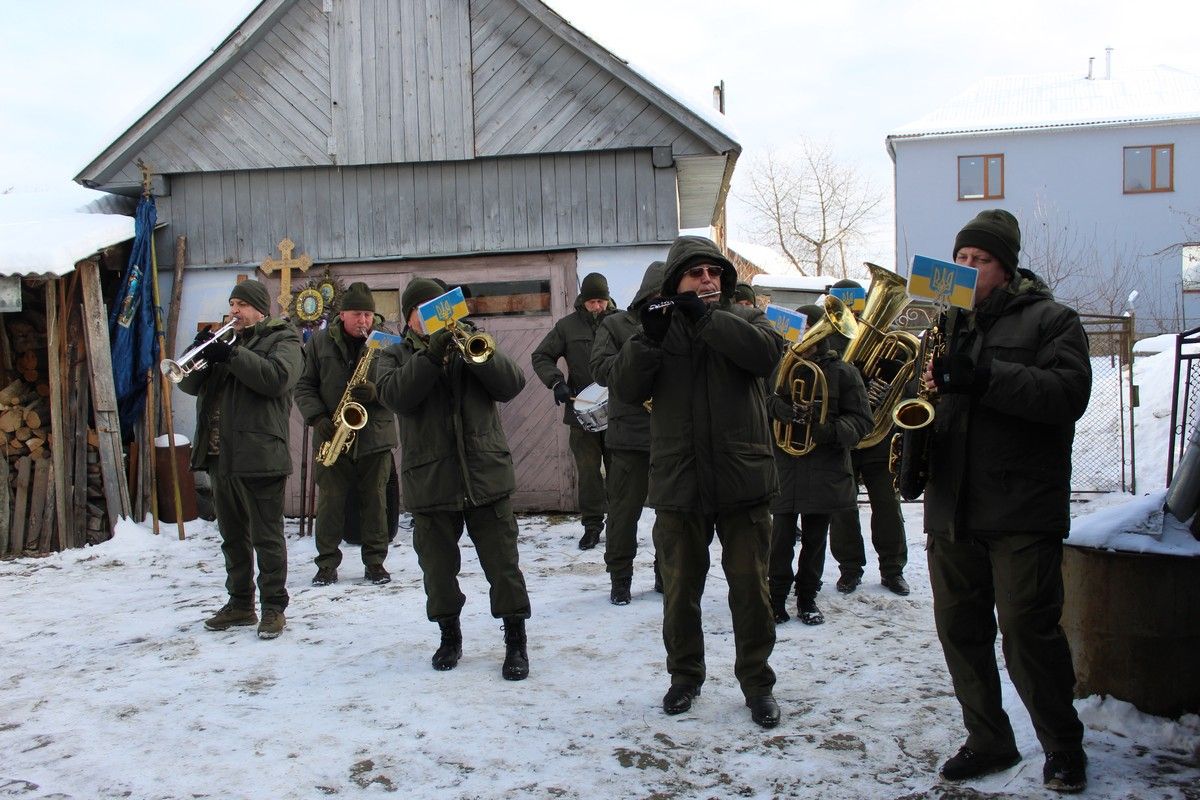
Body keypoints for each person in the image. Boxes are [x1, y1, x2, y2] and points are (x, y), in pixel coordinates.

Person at [923, 209, 1091, 793]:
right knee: (960, 631)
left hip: (1020, 503)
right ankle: (988, 738)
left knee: (1027, 630)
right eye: (961, 258)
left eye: (981, 260)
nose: (968, 268)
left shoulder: (1053, 320)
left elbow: (1067, 395)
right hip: (953, 504)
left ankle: (1063, 745)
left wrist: (984, 374)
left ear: (1006, 266)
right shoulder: (942, 322)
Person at [608, 235, 784, 729]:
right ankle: (684, 678)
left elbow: (767, 357)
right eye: (696, 273)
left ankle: (757, 685)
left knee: (752, 590)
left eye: (714, 273)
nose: (707, 279)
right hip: (680, 484)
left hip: (742, 480)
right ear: (675, 282)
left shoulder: (746, 319)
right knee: (681, 591)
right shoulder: (658, 332)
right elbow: (624, 389)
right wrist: (647, 337)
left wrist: (708, 319)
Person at [376, 278, 532, 680]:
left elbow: (512, 384)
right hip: (430, 483)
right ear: (410, 319)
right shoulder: (392, 356)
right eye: (423, 310)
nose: (433, 316)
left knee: (504, 567)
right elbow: (395, 397)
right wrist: (430, 356)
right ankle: (449, 636)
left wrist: (474, 349)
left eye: (440, 307)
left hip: (485, 477)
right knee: (438, 571)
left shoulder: (474, 341)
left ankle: (516, 641)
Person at [181, 279, 302, 640]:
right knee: (231, 535)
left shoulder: (285, 339)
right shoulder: (225, 341)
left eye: (242, 305)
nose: (234, 311)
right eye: (232, 304)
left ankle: (273, 608)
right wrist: (202, 351)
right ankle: (239, 603)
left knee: (265, 536)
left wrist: (231, 355)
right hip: (221, 455)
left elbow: (276, 379)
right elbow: (188, 385)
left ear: (259, 310)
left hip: (261, 453)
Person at [766, 303, 872, 626]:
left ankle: (808, 597)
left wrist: (827, 430)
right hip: (784, 467)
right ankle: (776, 597)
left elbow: (862, 422)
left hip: (825, 469)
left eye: (808, 330)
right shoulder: (779, 366)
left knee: (815, 541)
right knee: (780, 538)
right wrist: (783, 410)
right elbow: (761, 400)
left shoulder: (844, 372)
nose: (802, 338)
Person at [295, 281, 396, 587]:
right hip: (332, 435)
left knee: (376, 502)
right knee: (329, 503)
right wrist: (317, 417)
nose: (363, 321)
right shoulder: (318, 343)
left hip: (375, 437)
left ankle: (375, 563)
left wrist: (377, 392)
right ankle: (326, 564)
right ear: (341, 314)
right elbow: (304, 385)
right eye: (356, 314)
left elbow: (403, 385)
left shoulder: (387, 343)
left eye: (367, 314)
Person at [825, 278, 911, 596]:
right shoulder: (826, 340)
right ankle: (850, 569)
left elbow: (907, 382)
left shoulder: (885, 340)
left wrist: (886, 383)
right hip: (844, 434)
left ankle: (892, 570)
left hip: (878, 435)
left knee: (887, 505)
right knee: (843, 508)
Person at [589, 261, 666, 605]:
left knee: (673, 512)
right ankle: (620, 577)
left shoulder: (684, 321)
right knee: (623, 513)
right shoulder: (616, 323)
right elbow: (601, 369)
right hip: (630, 435)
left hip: (673, 435)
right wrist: (640, 348)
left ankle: (667, 572)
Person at [531, 273, 615, 550]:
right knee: (589, 473)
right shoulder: (567, 326)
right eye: (592, 301)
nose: (597, 307)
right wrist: (556, 382)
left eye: (601, 301)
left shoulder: (622, 321)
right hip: (582, 411)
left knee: (620, 472)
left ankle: (619, 524)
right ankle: (592, 526)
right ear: (583, 300)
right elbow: (541, 355)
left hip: (618, 412)